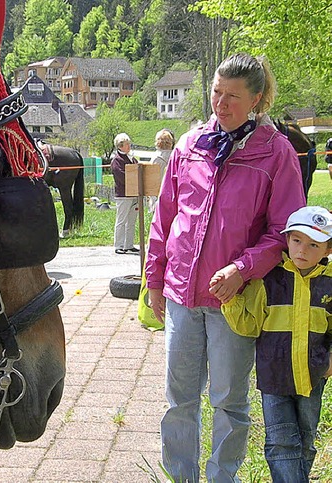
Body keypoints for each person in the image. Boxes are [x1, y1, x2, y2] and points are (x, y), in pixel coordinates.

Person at [145, 52, 306, 482]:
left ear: (257, 100)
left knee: (229, 401)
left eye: (233, 96)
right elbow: (164, 218)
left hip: (233, 300)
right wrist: (155, 280)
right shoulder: (189, 144)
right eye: (217, 92)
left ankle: (222, 478)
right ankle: (181, 476)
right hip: (181, 293)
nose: (221, 103)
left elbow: (283, 232)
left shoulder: (277, 154)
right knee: (178, 399)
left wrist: (242, 268)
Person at [218, 205, 332, 483]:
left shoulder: (330, 283)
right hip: (274, 378)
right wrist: (229, 300)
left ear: (328, 249)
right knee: (281, 441)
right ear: (287, 239)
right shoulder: (269, 279)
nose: (303, 250)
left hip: (313, 376)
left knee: (305, 440)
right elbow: (249, 325)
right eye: (297, 241)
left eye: (314, 245)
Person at [111, 133, 139, 254]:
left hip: (134, 194)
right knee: (121, 220)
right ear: (120, 146)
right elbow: (121, 177)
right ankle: (119, 245)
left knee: (131, 221)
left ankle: (129, 244)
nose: (129, 146)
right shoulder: (117, 160)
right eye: (127, 144)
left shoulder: (131, 158)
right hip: (123, 195)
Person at [147, 129, 175, 212]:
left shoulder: (156, 158)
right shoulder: (175, 155)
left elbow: (151, 179)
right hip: (172, 192)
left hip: (158, 193)